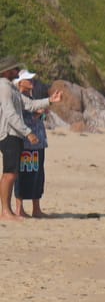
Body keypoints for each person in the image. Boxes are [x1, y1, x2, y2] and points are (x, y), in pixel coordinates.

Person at [2, 61, 64, 222]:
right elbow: (10, 115)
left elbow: (29, 104)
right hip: (10, 135)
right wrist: (28, 132)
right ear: (7, 72)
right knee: (10, 174)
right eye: (14, 69)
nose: (17, 70)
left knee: (16, 173)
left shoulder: (12, 89)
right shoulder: (4, 87)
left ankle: (9, 211)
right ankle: (6, 211)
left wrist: (50, 100)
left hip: (18, 135)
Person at [14, 74, 49, 216]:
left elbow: (40, 118)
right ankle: (19, 208)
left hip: (39, 142)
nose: (31, 81)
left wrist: (42, 114)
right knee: (22, 174)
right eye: (28, 79)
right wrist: (36, 115)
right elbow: (20, 119)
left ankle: (36, 208)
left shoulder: (33, 99)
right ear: (20, 83)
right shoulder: (17, 99)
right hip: (25, 142)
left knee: (38, 174)